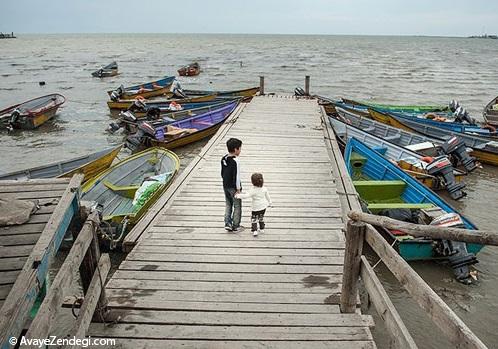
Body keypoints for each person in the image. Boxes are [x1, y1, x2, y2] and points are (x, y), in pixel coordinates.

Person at [221, 138, 243, 232]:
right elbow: (237, 176)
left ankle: (227, 223)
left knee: (228, 204)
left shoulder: (224, 158)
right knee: (237, 205)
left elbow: (222, 173)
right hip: (234, 187)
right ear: (235, 149)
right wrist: (238, 189)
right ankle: (236, 225)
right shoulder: (236, 161)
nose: (240, 150)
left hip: (225, 185)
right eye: (240, 148)